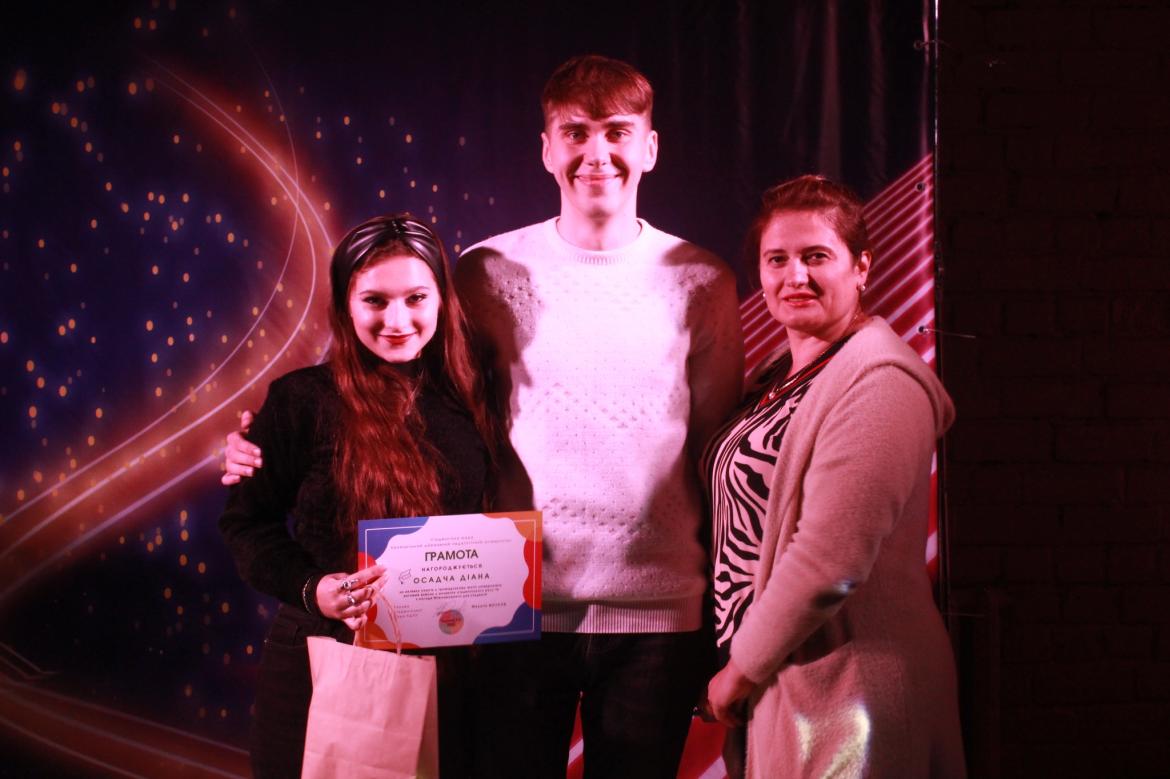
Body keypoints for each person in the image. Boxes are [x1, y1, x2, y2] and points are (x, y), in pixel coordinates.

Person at [225, 54, 742, 778]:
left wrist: (728, 617)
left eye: (618, 132)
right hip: (509, 609)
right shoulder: (485, 270)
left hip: (658, 615)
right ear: (547, 149)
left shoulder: (703, 278)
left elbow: (721, 454)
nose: (597, 153)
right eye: (576, 132)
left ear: (650, 148)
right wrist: (263, 439)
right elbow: (404, 376)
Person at [700, 175, 966, 777]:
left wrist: (736, 674)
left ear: (862, 266)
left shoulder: (881, 383)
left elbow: (831, 559)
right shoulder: (777, 374)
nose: (795, 276)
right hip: (784, 683)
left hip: (848, 699)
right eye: (777, 259)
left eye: (816, 256)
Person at [218, 214, 495, 779]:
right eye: (374, 300)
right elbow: (246, 526)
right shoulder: (301, 400)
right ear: (346, 305)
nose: (397, 320)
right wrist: (315, 589)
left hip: (451, 669)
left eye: (416, 298)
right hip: (324, 658)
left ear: (442, 300)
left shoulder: (473, 399)